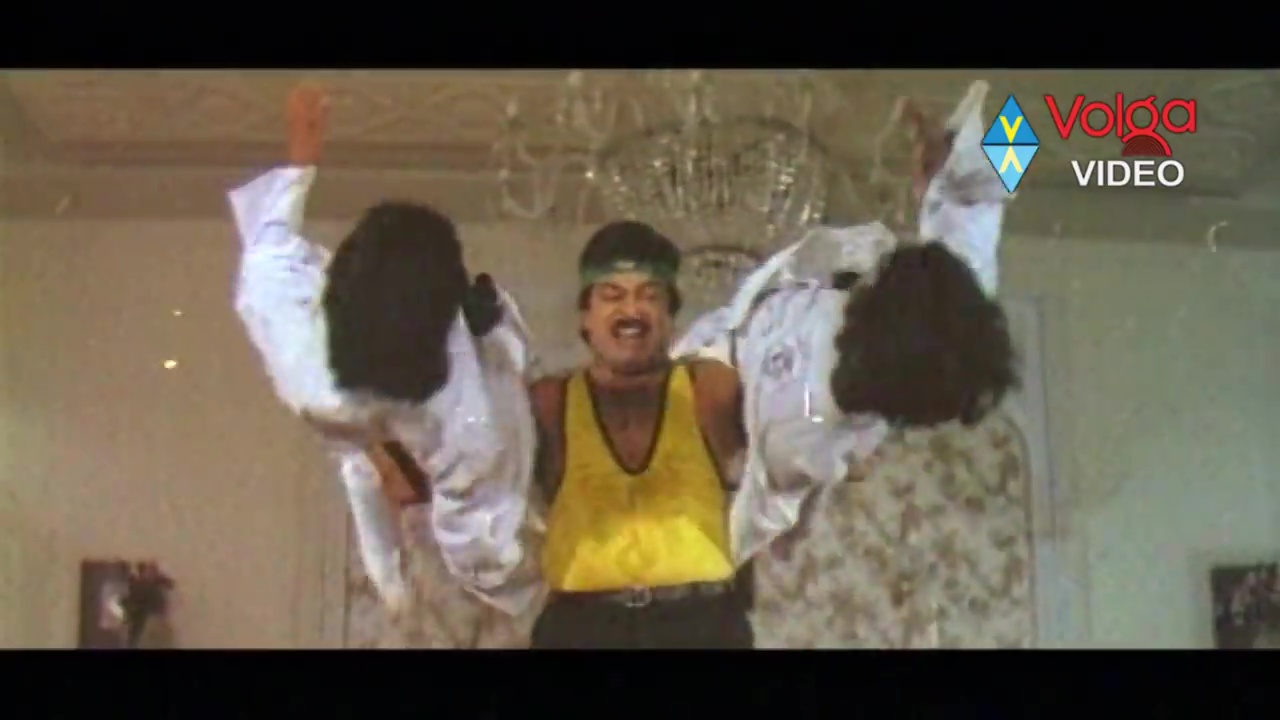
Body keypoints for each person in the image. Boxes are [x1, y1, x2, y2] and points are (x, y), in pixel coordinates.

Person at [227, 83, 542, 621]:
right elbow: (484, 549)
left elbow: (268, 252)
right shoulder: (464, 414)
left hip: (427, 443)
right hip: (428, 449)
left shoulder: (313, 367)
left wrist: (301, 160)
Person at [672, 80, 1018, 565]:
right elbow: (985, 194)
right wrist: (1017, 119)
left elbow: (720, 417)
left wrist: (757, 494)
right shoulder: (956, 306)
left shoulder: (802, 418)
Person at [526, 221, 755, 648]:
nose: (631, 309)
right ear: (585, 317)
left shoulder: (710, 387)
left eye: (650, 296)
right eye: (612, 295)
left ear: (670, 318)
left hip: (701, 626)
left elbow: (799, 439)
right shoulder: (549, 402)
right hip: (581, 630)